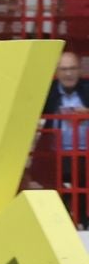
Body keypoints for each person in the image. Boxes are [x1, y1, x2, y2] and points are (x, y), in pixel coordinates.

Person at [44, 52, 86, 189]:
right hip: (55, 155)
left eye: (73, 68)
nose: (69, 74)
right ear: (56, 72)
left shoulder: (87, 88)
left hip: (85, 154)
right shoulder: (47, 91)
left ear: (80, 70)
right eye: (64, 69)